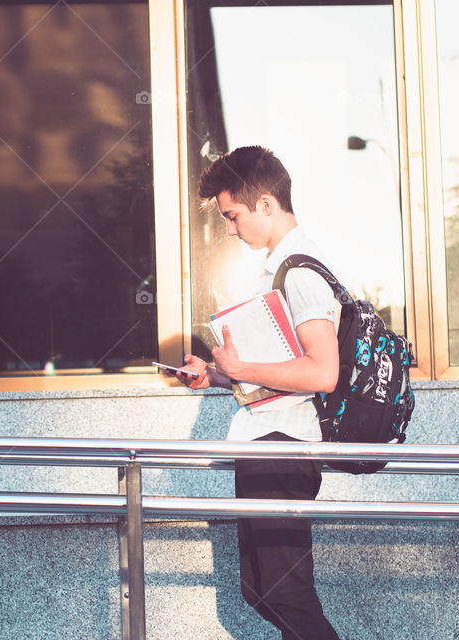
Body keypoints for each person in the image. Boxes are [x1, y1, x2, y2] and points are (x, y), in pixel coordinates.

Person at [171, 146, 342, 640]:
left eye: (233, 215)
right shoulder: (279, 270)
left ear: (266, 204)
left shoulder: (302, 273)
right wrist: (221, 375)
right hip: (266, 441)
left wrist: (241, 365)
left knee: (283, 593)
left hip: (282, 446)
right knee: (260, 590)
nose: (229, 228)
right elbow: (281, 372)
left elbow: (322, 372)